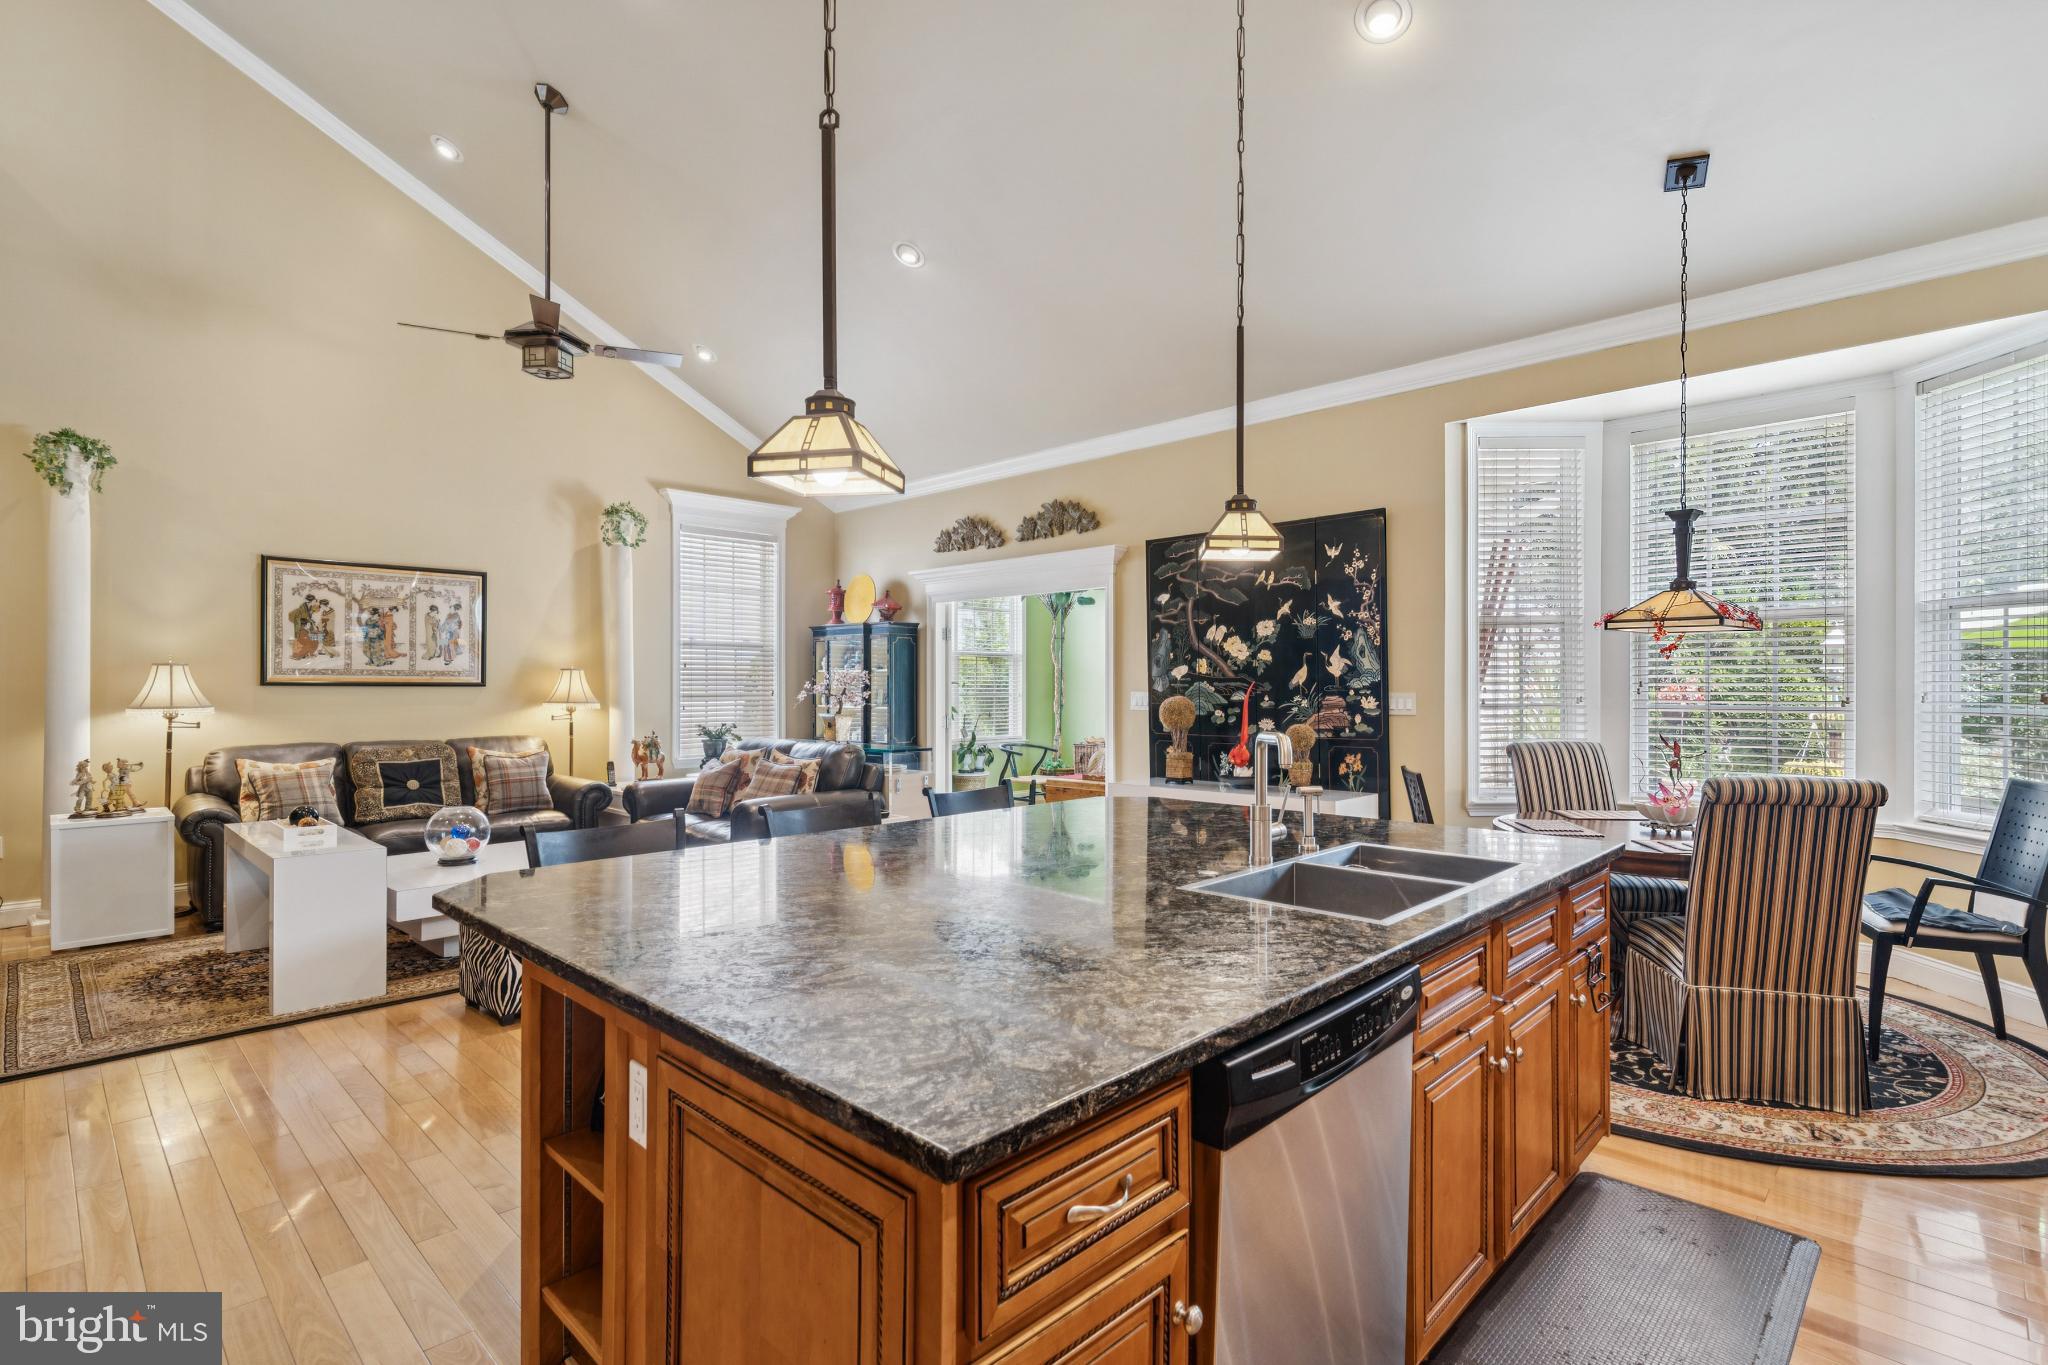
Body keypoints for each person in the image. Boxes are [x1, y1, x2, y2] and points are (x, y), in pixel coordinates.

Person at [288, 592, 319, 659]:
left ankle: (308, 653)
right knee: (304, 640)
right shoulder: (302, 608)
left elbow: (309, 617)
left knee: (315, 638)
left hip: (307, 626)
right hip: (301, 626)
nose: (315, 601)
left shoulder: (309, 607)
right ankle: (299, 655)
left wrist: (311, 623)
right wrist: (305, 625)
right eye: (314, 601)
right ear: (310, 601)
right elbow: (299, 619)